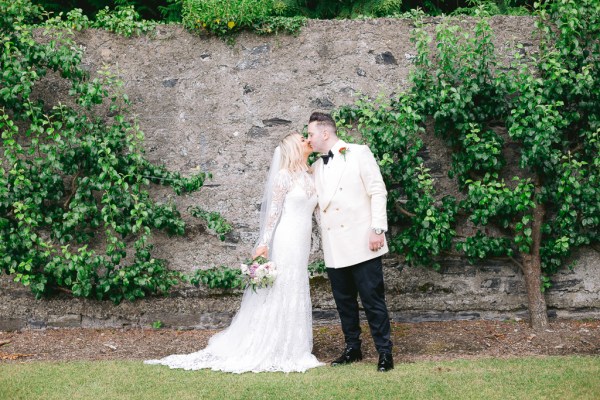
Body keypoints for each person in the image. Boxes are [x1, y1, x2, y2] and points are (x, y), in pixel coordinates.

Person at [145, 133, 323, 373]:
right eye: (302, 139)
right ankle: (273, 344)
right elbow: (273, 212)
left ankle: (294, 344)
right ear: (293, 148)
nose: (307, 140)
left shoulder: (311, 174)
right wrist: (264, 243)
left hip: (302, 242)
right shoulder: (283, 177)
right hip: (286, 239)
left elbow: (319, 212)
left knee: (297, 285)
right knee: (282, 287)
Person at [307, 111, 394, 372]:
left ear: (325, 133)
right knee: (344, 302)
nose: (308, 138)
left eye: (310, 134)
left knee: (373, 300)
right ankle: (352, 348)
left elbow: (378, 190)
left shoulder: (358, 152)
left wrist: (377, 228)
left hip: (363, 242)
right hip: (334, 246)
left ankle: (384, 352)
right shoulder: (316, 166)